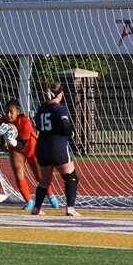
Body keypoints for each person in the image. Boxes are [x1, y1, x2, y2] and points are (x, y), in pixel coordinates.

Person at [0, 98, 57, 211]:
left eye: (11, 112)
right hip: (16, 150)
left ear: (18, 112)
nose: (8, 115)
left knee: (39, 175)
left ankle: (51, 195)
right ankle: (28, 201)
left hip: (31, 147)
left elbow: (23, 144)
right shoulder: (2, 121)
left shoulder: (25, 122)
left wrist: (13, 141)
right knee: (18, 174)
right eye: (6, 112)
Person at [31, 83, 80, 216]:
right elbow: (65, 125)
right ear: (59, 94)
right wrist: (70, 133)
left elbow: (38, 126)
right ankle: (70, 208)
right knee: (71, 177)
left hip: (42, 147)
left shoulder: (41, 109)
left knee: (45, 180)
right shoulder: (60, 108)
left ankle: (36, 208)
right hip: (57, 146)